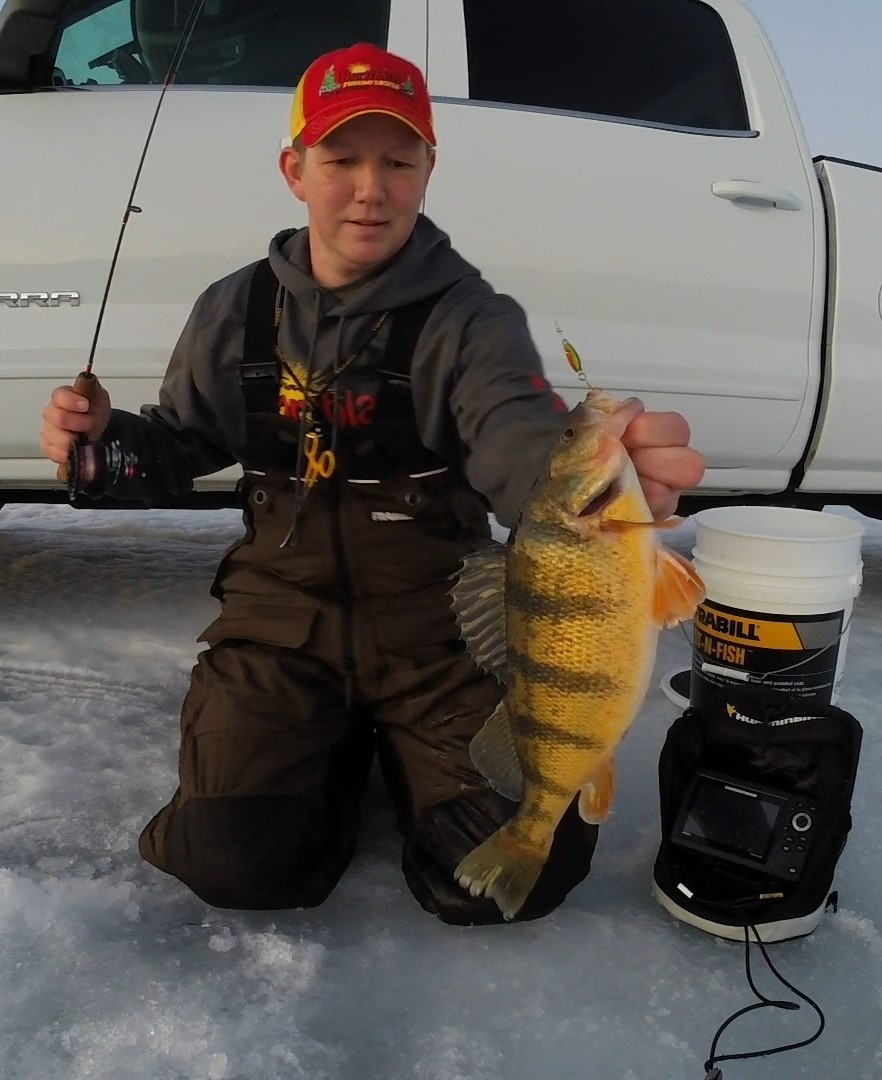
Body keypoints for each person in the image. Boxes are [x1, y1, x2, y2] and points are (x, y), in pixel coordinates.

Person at [40, 42, 705, 926]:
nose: (370, 187)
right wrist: (98, 448)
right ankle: (329, 752)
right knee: (237, 863)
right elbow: (178, 441)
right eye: (341, 158)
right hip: (281, 626)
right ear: (295, 169)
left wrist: (588, 488)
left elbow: (516, 437)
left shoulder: (472, 321)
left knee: (512, 882)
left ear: (429, 169)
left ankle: (389, 746)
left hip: (434, 634)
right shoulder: (232, 310)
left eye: (398, 160)